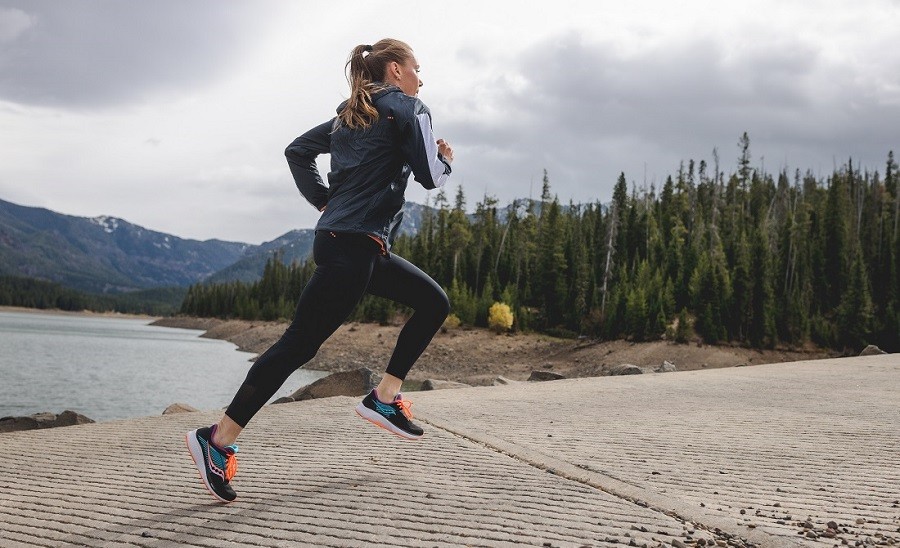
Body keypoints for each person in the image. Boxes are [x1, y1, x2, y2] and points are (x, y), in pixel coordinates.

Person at [185, 38, 454, 503]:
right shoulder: (409, 107)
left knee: (433, 302)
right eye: (416, 68)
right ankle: (217, 439)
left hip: (358, 246)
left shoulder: (349, 117)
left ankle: (384, 398)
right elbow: (431, 174)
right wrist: (446, 157)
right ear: (394, 70)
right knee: (298, 346)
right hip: (351, 248)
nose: (420, 77)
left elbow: (296, 151)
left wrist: (324, 203)